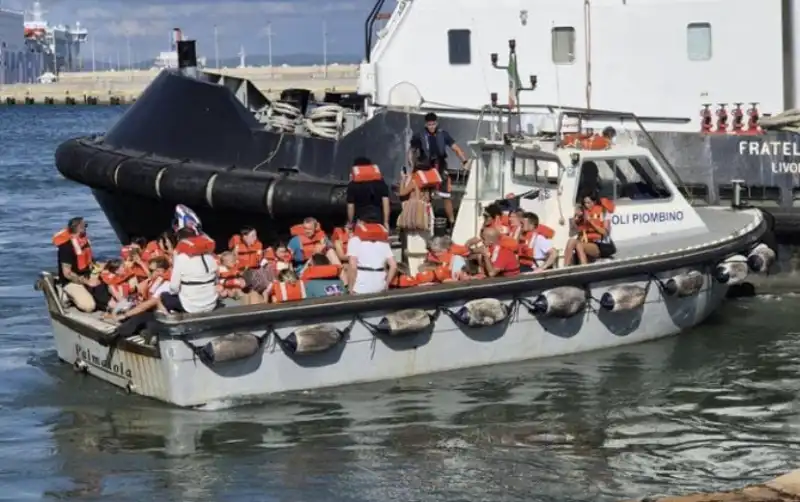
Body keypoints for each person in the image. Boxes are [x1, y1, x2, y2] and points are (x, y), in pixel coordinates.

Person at [407, 112, 470, 229]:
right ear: (426, 124)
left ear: (437, 123)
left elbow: (455, 148)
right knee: (425, 196)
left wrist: (464, 160)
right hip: (424, 167)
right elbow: (411, 151)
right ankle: (425, 221)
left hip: (440, 166)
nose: (432, 127)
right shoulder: (419, 136)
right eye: (429, 125)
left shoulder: (443, 134)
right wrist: (412, 166)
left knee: (446, 195)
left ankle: (451, 223)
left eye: (433, 124)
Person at [53, 216, 110, 312]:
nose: (86, 228)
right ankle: (66, 294)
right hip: (72, 280)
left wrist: (104, 266)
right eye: (85, 225)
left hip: (87, 273)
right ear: (79, 228)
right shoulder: (66, 247)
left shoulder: (84, 242)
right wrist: (86, 282)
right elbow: (67, 273)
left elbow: (89, 260)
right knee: (89, 306)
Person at [159, 226, 219, 314]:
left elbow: (174, 288)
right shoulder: (210, 256)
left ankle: (170, 324)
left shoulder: (181, 257)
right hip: (211, 303)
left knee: (162, 297)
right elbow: (216, 280)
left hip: (191, 306)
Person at [564, 192, 616, 266]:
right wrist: (576, 218)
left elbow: (605, 233)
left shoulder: (602, 212)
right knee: (571, 241)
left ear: (594, 202)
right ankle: (565, 267)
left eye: (588, 202)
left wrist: (591, 222)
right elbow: (574, 232)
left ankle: (584, 267)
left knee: (579, 245)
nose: (586, 205)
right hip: (584, 241)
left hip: (598, 245)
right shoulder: (583, 213)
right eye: (585, 203)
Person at [347, 223, 397, 294]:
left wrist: (350, 288)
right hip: (380, 284)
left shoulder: (354, 240)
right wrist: (386, 284)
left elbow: (352, 267)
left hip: (361, 286)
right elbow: (394, 266)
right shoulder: (383, 241)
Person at [346, 157, 390, 229]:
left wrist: (350, 222)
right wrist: (386, 222)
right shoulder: (380, 182)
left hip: (361, 219)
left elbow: (350, 206)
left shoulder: (353, 184)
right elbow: (386, 203)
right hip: (378, 218)